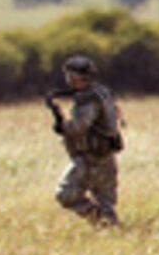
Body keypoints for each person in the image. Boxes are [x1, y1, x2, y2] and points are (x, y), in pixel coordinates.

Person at [45, 54, 123, 227]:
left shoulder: (87, 99)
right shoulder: (102, 92)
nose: (69, 81)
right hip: (106, 155)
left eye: (71, 77)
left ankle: (102, 222)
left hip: (90, 158)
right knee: (105, 200)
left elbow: (79, 127)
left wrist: (62, 126)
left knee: (65, 195)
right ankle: (111, 229)